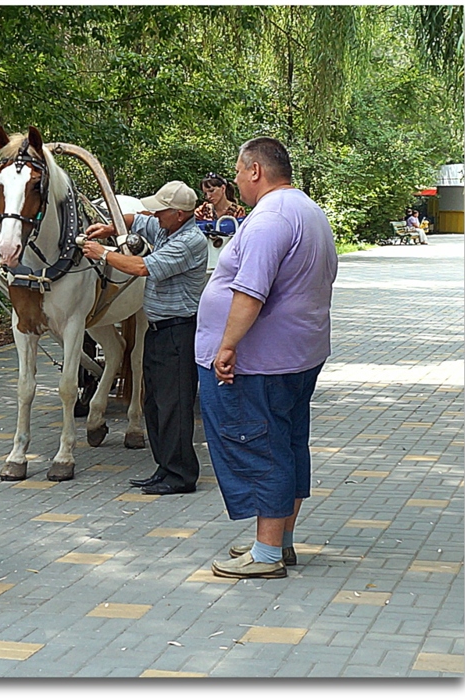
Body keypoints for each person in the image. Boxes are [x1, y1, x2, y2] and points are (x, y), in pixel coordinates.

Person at [195, 137, 338, 579]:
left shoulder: (267, 220)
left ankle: (267, 554)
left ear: (255, 170)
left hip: (259, 363)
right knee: (288, 444)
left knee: (258, 447)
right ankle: (278, 539)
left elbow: (249, 292)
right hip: (298, 356)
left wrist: (227, 346)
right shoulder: (308, 211)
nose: (236, 181)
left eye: (238, 172)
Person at [82, 181, 208, 495]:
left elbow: (141, 267)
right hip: (157, 331)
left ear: (179, 214)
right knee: (154, 404)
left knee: (173, 407)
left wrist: (103, 254)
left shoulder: (190, 241)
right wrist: (110, 226)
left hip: (178, 332)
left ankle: (181, 476)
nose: (155, 214)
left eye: (161, 210)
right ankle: (164, 468)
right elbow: (136, 219)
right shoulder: (166, 228)